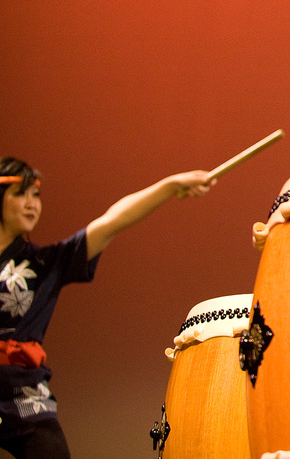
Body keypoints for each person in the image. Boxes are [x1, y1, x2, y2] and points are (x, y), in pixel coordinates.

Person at [0, 156, 213, 459]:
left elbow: (112, 221)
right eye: (20, 194)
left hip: (25, 397)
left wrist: (170, 186)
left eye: (35, 195)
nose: (32, 203)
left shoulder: (46, 264)